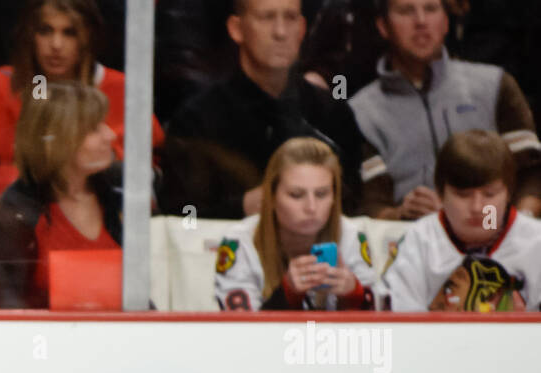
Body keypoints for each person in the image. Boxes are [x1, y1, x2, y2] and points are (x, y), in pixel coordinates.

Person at [0, 0, 163, 218]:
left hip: (103, 224)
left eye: (69, 33)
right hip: (13, 221)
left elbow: (147, 170)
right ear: (31, 35)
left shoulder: (123, 92)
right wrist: (23, 188)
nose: (56, 44)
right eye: (45, 31)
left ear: (88, 38)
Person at [160, 0, 367, 220]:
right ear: (236, 29)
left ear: (302, 29)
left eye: (290, 18)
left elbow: (357, 207)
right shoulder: (197, 121)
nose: (280, 32)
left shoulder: (332, 115)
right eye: (267, 18)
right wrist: (241, 207)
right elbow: (182, 221)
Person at [350, 0, 541, 220]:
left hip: (494, 229)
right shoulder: (361, 110)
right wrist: (400, 215)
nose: (421, 22)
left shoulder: (494, 84)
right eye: (406, 11)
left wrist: (517, 226)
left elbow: (532, 172)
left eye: (430, 9)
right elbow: (369, 204)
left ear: (446, 22)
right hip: (411, 241)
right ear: (383, 26)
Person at [0, 81, 122, 308]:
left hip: (122, 337)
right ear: (57, 141)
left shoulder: (119, 196)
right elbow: (0, 303)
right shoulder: (15, 211)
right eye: (94, 129)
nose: (110, 135)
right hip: (42, 339)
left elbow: (138, 295)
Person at [380, 129, 541, 310]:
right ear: (441, 194)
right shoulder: (418, 241)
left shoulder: (536, 242)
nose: (477, 208)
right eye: (463, 195)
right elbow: (401, 322)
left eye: (489, 194)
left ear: (509, 193)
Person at [215, 136, 376, 310]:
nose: (311, 207)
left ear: (334, 197)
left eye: (321, 194)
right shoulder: (240, 242)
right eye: (296, 195)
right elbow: (239, 332)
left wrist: (353, 296)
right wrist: (286, 295)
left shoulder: (351, 236)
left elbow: (381, 329)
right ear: (271, 196)